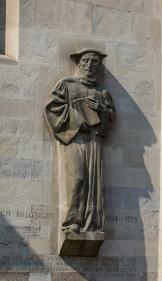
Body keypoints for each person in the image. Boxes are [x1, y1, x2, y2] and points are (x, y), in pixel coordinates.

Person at [44, 48, 116, 233]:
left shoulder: (102, 93)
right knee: (77, 178)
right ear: (79, 63)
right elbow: (52, 108)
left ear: (98, 66)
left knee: (94, 182)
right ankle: (72, 221)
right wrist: (77, 121)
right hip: (74, 138)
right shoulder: (66, 85)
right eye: (86, 61)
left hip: (94, 141)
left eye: (94, 62)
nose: (89, 65)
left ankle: (92, 222)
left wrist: (101, 109)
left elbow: (111, 119)